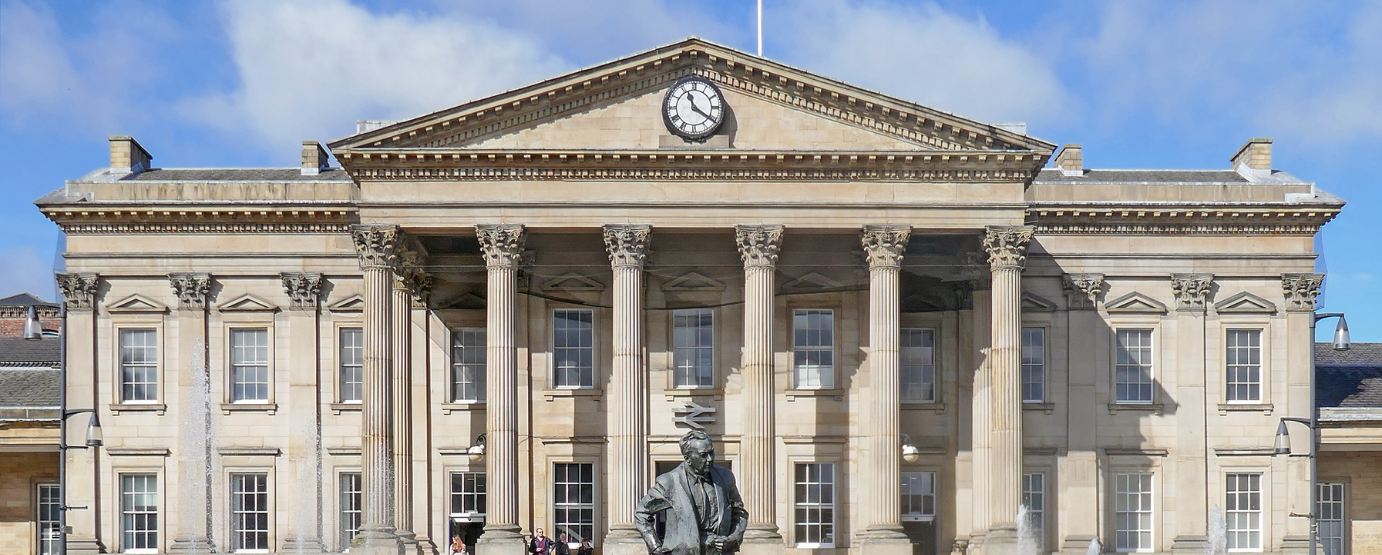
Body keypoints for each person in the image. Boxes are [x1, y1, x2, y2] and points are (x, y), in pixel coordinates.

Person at [634, 430, 749, 555]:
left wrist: (733, 539)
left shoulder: (725, 477)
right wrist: (655, 547)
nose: (710, 459)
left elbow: (740, 514)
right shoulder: (669, 482)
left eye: (711, 452)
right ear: (687, 458)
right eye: (703, 455)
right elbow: (642, 514)